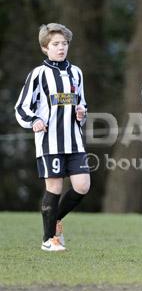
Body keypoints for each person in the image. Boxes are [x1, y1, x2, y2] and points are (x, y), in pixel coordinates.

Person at [15, 23, 90, 251]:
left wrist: (81, 112)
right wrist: (34, 120)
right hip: (50, 141)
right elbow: (21, 107)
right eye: (55, 44)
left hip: (74, 140)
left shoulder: (76, 72)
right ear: (45, 48)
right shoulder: (38, 74)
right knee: (54, 188)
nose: (61, 48)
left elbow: (82, 103)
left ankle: (54, 221)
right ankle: (49, 240)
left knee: (82, 186)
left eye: (64, 44)